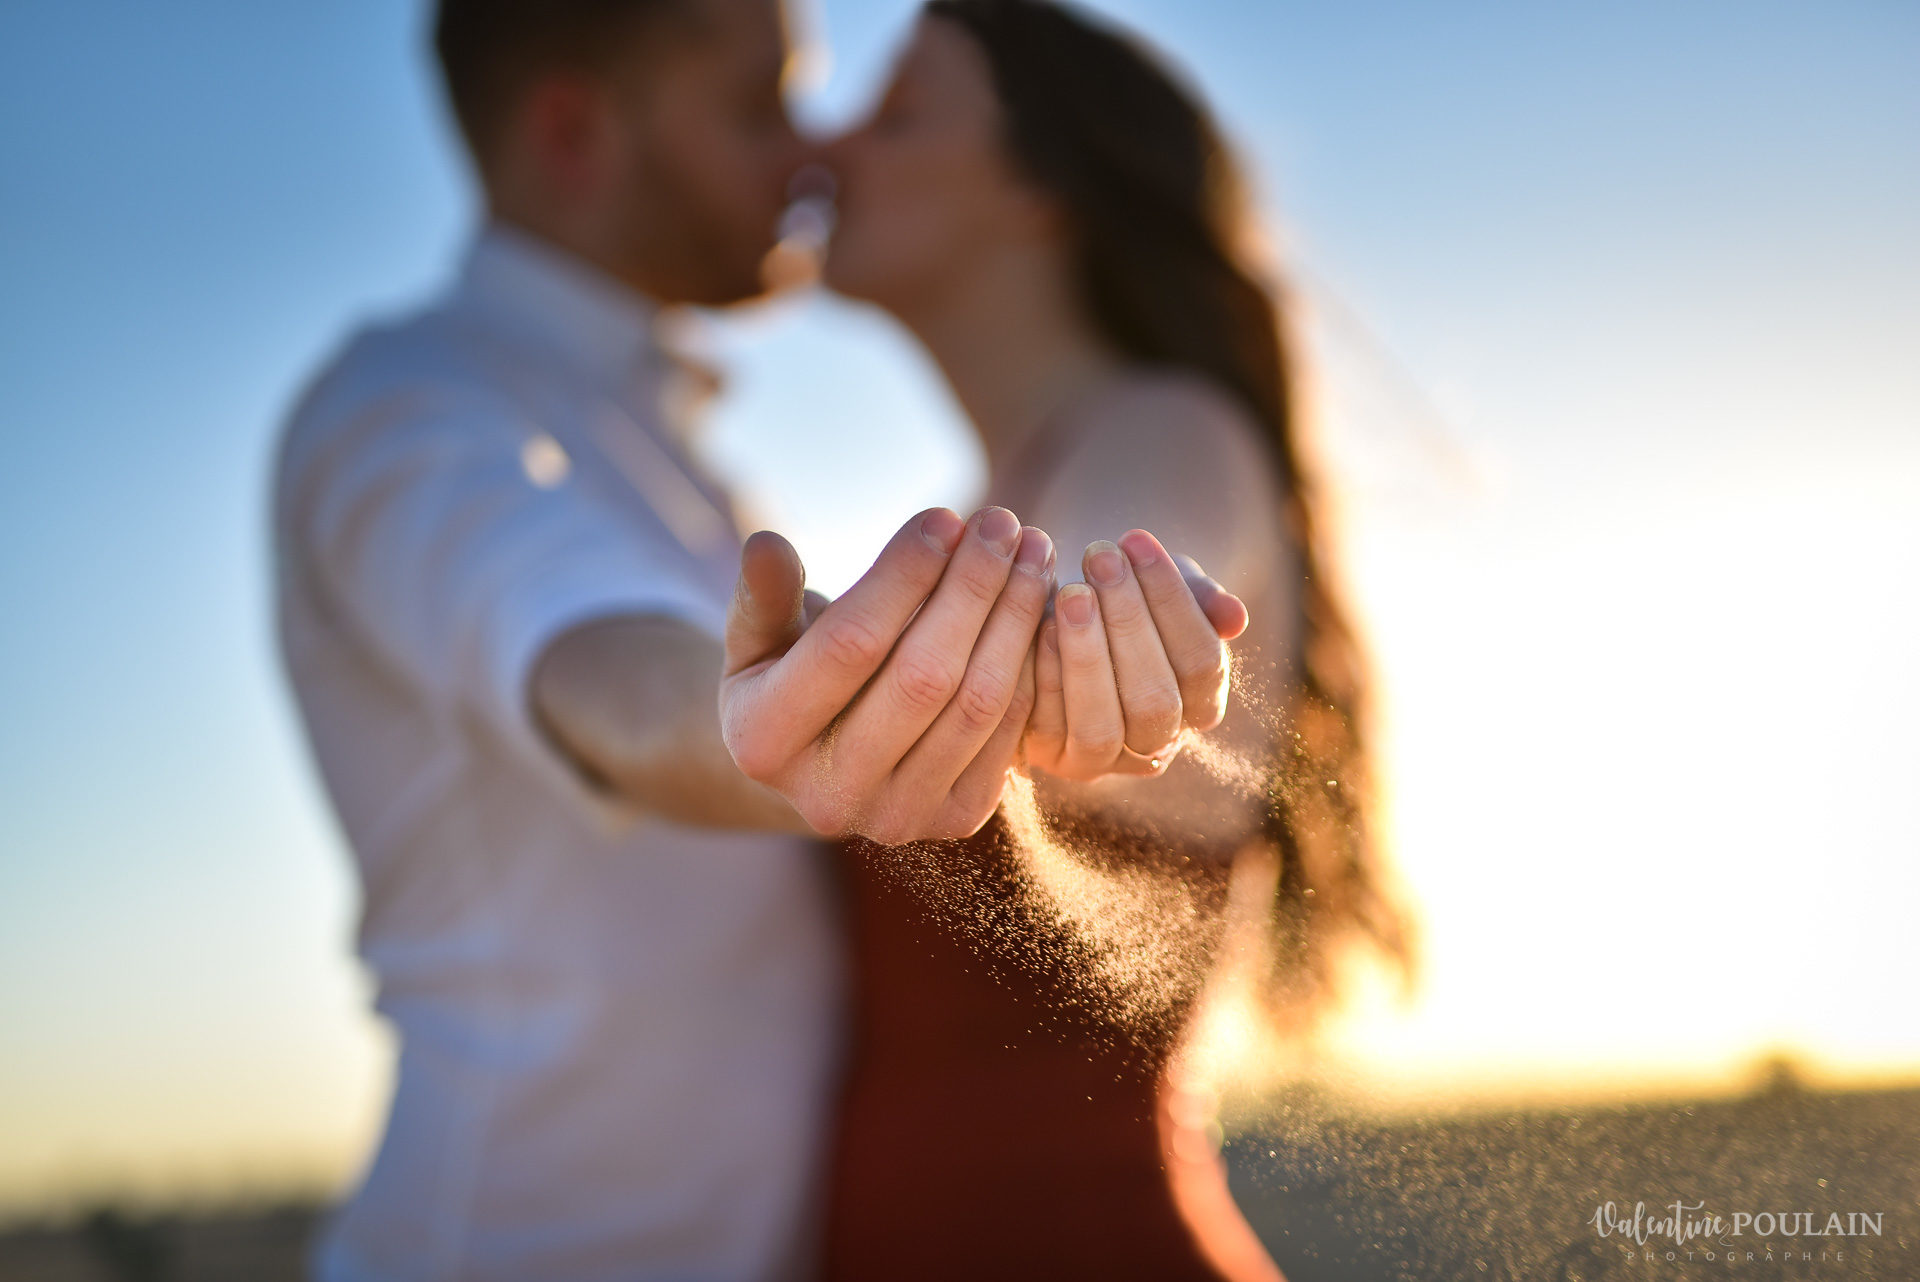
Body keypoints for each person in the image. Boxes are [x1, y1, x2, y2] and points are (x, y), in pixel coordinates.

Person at [272, 0, 1244, 1277]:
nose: (814, 151)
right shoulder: (413, 412)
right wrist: (763, 721)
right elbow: (590, 662)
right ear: (574, 132)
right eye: (761, 105)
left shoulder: (693, 475)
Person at [813, 1, 1416, 1277]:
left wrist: (1107, 633)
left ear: (1041, 186)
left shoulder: (1168, 431)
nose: (830, 147)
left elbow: (1121, 573)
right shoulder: (995, 494)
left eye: (897, 113)